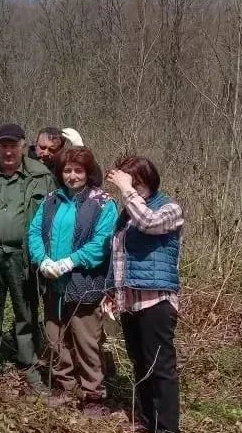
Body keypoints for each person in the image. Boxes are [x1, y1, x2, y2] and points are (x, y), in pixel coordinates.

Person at [28, 147, 118, 415]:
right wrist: (42, 260)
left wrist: (71, 261)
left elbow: (102, 242)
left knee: (86, 342)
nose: (72, 176)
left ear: (89, 173)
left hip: (84, 283)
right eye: (67, 171)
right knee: (56, 339)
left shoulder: (103, 202)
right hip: (53, 283)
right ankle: (64, 387)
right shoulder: (52, 200)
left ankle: (93, 395)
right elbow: (34, 231)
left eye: (78, 171)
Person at [0, 124, 56, 393]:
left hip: (25, 255)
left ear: (22, 145)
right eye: (3, 145)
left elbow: (52, 220)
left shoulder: (41, 176)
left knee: (26, 311)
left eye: (13, 145)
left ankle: (28, 363)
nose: (8, 151)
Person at [105, 157, 183, 433]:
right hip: (129, 301)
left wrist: (126, 190)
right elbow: (118, 257)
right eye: (128, 181)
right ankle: (147, 422)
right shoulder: (126, 214)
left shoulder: (169, 208)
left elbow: (149, 224)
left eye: (135, 182)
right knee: (140, 365)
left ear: (148, 180)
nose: (131, 188)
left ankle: (167, 428)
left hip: (156, 301)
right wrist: (111, 291)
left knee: (160, 368)